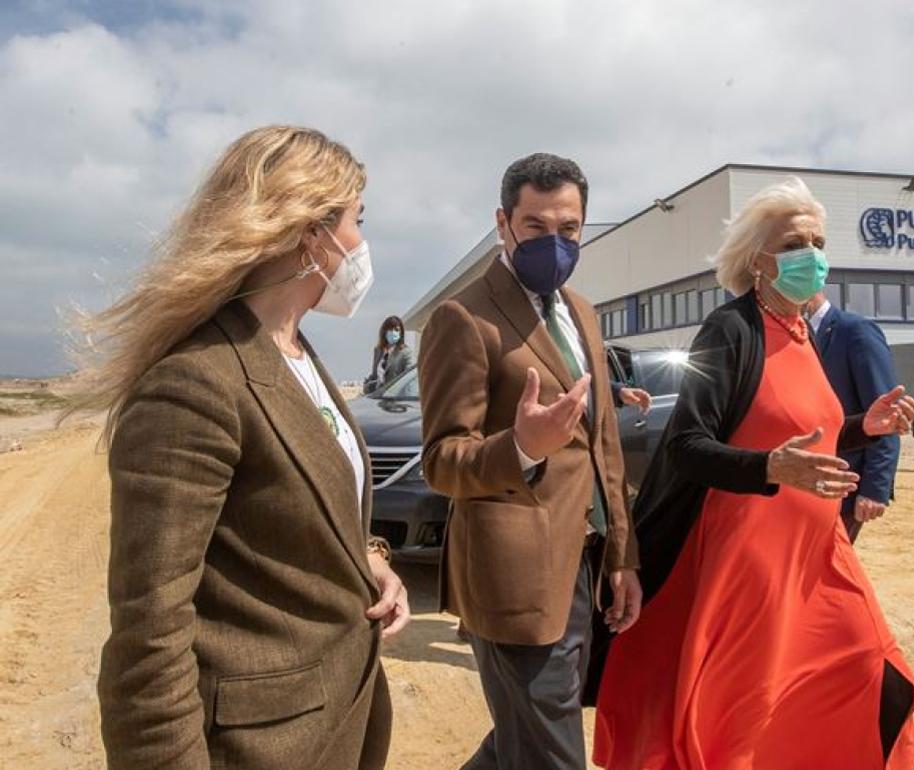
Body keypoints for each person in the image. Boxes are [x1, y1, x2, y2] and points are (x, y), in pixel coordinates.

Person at [80, 126, 408, 769]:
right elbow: (149, 636)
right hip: (263, 748)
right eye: (354, 221)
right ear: (307, 232)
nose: (361, 246)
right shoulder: (195, 381)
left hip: (340, 721)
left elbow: (297, 508)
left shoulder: (296, 354)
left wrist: (369, 558)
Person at [592, 178, 914, 770]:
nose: (814, 255)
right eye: (796, 243)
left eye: (819, 241)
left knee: (863, 662)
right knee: (744, 708)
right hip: (751, 565)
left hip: (816, 552)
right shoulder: (732, 329)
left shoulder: (803, 333)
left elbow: (795, 429)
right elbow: (688, 446)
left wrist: (862, 427)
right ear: (758, 261)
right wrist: (772, 469)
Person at [418, 153, 642, 770]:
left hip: (586, 563)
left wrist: (622, 555)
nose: (554, 242)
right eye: (536, 226)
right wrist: (520, 448)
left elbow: (605, 449)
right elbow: (441, 460)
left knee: (523, 742)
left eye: (568, 229)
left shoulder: (584, 312)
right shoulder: (462, 317)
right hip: (514, 580)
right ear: (503, 222)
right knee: (549, 754)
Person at [806, 289, 901, 543]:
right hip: (802, 483)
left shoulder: (854, 332)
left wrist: (874, 488)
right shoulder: (789, 336)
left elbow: (884, 414)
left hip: (844, 484)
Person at [365, 315, 414, 393]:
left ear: (401, 333)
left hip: (394, 398)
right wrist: (368, 385)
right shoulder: (378, 351)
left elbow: (408, 379)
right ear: (384, 331)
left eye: (397, 330)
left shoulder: (405, 352)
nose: (393, 332)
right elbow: (375, 375)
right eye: (390, 329)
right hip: (377, 397)